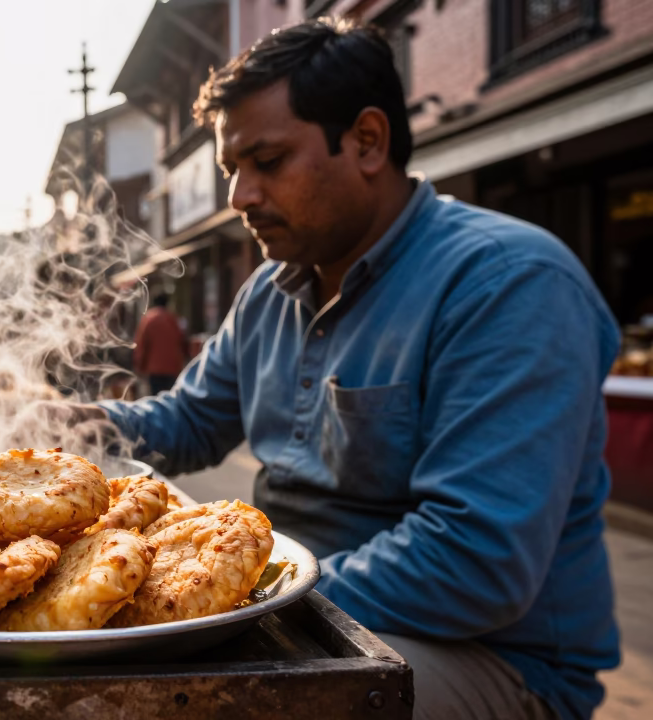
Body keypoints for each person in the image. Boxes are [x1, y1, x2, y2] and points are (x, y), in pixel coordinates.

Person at [54, 19, 619, 720]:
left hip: (489, 656)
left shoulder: (506, 283)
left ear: (367, 141)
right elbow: (192, 418)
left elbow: (475, 561)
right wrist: (81, 427)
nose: (239, 197)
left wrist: (242, 591)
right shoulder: (272, 287)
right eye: (233, 169)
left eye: (268, 161)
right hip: (294, 608)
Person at [132, 293, 187, 396]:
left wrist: (139, 365)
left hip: (154, 368)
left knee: (156, 397)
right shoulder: (173, 319)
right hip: (172, 366)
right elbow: (182, 341)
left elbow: (142, 344)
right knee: (170, 397)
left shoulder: (149, 319)